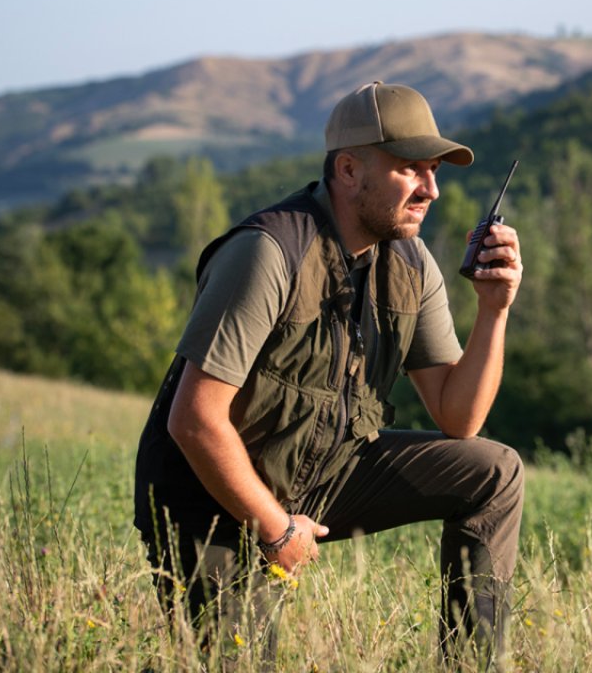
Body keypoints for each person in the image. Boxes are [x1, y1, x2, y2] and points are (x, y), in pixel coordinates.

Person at [133, 81, 525, 667]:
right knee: (241, 661)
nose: (432, 190)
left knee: (493, 472)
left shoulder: (411, 263)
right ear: (348, 170)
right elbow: (193, 420)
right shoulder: (269, 251)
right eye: (411, 169)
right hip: (212, 496)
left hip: (324, 468)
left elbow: (458, 416)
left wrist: (494, 310)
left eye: (434, 171)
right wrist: (275, 529)